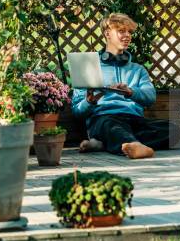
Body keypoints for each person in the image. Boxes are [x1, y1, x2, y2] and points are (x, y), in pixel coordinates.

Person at [71, 13, 170, 159]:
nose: (127, 35)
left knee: (175, 130)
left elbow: (150, 97)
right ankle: (132, 145)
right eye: (121, 31)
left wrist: (131, 92)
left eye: (129, 32)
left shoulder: (138, 69)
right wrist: (89, 102)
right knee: (112, 127)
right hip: (103, 119)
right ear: (107, 34)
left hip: (134, 120)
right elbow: (76, 110)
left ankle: (104, 144)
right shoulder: (88, 67)